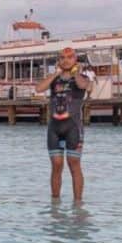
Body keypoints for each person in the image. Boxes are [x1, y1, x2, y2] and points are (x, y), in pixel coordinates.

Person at [36, 46, 92, 202]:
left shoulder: (82, 77)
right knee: (56, 165)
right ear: (58, 61)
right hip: (54, 128)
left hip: (73, 127)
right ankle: (55, 204)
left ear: (75, 60)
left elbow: (83, 86)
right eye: (62, 57)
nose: (65, 60)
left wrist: (75, 73)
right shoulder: (55, 78)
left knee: (73, 164)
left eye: (69, 57)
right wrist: (55, 73)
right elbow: (39, 88)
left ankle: (78, 204)